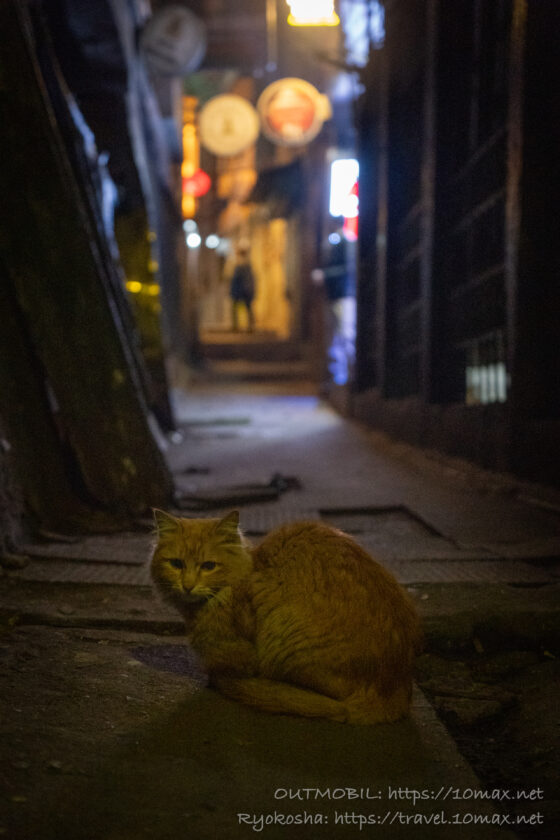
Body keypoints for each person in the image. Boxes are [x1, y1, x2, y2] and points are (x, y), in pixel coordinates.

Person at [230, 242, 255, 332]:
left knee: (238, 308)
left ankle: (238, 326)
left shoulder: (240, 264)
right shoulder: (247, 264)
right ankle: (249, 327)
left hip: (240, 289)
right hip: (244, 289)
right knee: (247, 308)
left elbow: (236, 278)